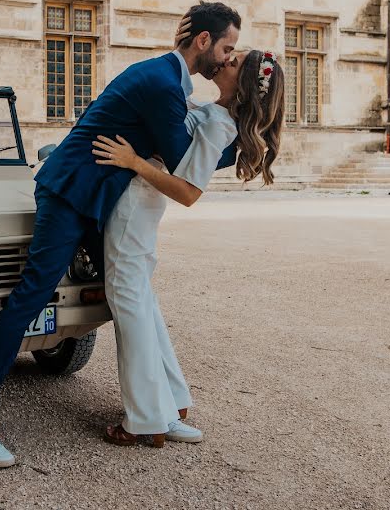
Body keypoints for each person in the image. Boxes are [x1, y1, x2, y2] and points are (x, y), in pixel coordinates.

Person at [0, 2, 242, 468]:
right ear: (203, 41)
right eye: (227, 47)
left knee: (135, 296)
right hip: (69, 193)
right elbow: (188, 165)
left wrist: (241, 124)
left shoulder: (171, 81)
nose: (228, 58)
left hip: (98, 201)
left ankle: (160, 410)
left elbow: (194, 154)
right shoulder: (163, 84)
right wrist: (243, 120)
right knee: (31, 296)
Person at [91, 44, 285, 447]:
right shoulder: (215, 111)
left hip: (136, 205)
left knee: (129, 307)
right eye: (229, 54)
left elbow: (189, 192)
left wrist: (133, 162)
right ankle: (172, 403)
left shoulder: (219, 123)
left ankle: (145, 421)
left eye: (234, 62)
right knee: (142, 302)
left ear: (245, 84)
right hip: (142, 207)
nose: (225, 61)